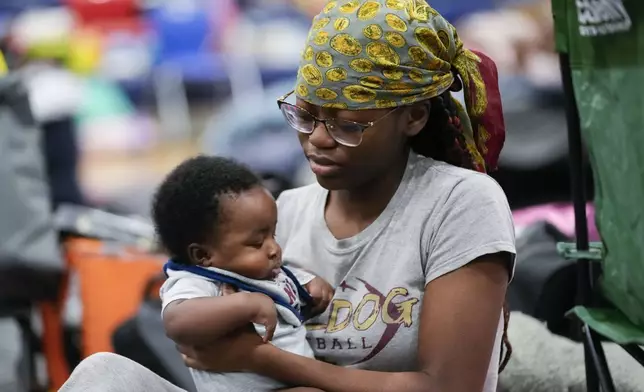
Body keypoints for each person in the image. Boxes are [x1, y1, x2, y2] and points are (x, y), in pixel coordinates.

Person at [58, 1, 515, 391]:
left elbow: (448, 387)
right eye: (306, 115)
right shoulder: (278, 217)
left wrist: (266, 361)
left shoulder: (460, 203)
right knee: (103, 374)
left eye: (345, 124)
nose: (317, 139)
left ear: (413, 117)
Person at [153, 156, 332, 391]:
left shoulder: (263, 271)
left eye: (273, 235)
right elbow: (176, 322)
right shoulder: (199, 281)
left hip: (291, 378)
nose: (273, 248)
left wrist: (310, 285)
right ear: (203, 256)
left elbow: (285, 281)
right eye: (257, 243)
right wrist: (245, 304)